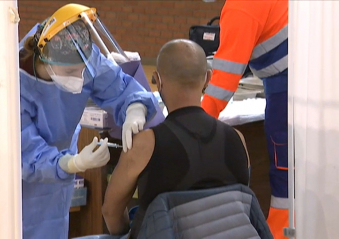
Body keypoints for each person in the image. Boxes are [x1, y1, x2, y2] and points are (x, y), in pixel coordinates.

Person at [19, 3, 160, 239]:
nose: (80, 79)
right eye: (73, 72)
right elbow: (25, 153)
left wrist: (135, 108)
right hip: (23, 183)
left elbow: (119, 86)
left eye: (83, 71)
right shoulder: (15, 84)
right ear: (46, 63)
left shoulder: (82, 55)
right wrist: (72, 164)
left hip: (59, 180)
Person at [102, 39, 252, 238]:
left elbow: (110, 212)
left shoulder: (146, 144)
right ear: (208, 78)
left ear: (158, 80)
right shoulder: (237, 139)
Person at [200, 1, 289, 238]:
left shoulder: (241, 7)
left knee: (285, 172)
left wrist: (198, 119)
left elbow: (226, 77)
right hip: (293, 84)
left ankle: (281, 233)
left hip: (287, 91)